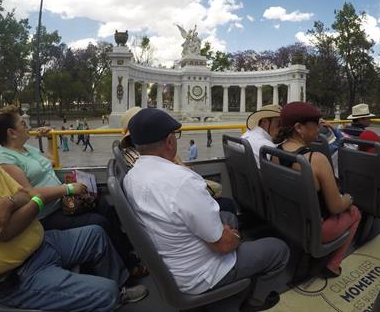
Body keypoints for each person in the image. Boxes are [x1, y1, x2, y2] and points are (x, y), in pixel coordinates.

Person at [0, 101, 147, 311]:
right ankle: (113, 295)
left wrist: (12, 202)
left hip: (41, 244)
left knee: (96, 234)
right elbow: (7, 229)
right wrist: (36, 199)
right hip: (19, 274)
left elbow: (24, 194)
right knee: (106, 292)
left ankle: (118, 284)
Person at [124, 108, 289, 311]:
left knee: (227, 216)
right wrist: (234, 238)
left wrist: (226, 234)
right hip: (201, 275)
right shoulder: (182, 181)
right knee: (278, 249)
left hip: (171, 264)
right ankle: (255, 301)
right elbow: (223, 246)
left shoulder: (131, 176)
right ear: (169, 141)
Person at [0, 105, 147, 278]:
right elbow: (28, 194)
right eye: (23, 123)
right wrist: (68, 188)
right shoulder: (5, 159)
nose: (27, 126)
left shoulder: (27, 149)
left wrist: (49, 138)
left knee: (104, 205)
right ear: (12, 133)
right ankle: (127, 270)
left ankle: (128, 253)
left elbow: (50, 162)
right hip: (45, 215)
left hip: (62, 203)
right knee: (99, 222)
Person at [274, 102, 361, 278]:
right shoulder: (316, 159)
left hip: (287, 221)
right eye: (316, 124)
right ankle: (333, 266)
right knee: (355, 212)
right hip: (315, 229)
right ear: (299, 127)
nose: (319, 128)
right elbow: (336, 207)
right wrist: (349, 199)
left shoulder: (275, 153)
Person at [119, 107, 236, 214]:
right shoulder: (179, 179)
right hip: (183, 207)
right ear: (169, 141)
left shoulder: (131, 176)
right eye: (175, 134)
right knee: (228, 204)